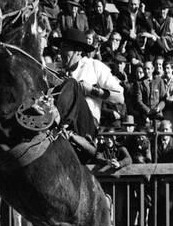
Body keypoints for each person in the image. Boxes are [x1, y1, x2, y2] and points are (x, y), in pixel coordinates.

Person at [52, 28, 124, 160]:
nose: (61, 52)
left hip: (86, 127)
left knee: (71, 84)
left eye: (66, 47)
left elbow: (120, 97)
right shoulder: (55, 70)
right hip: (62, 125)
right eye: (60, 47)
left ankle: (58, 126)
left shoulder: (94, 66)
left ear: (78, 51)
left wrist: (92, 90)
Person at [134, 60, 167, 126]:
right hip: (145, 115)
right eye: (145, 69)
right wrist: (148, 110)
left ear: (152, 69)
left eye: (148, 69)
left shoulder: (159, 81)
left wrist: (158, 108)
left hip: (157, 115)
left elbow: (163, 98)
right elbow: (138, 100)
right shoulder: (139, 83)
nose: (146, 71)